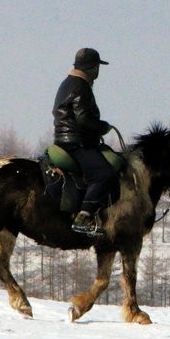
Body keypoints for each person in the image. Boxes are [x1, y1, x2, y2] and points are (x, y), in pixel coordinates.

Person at [52, 47, 120, 233]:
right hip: (77, 142)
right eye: (97, 67)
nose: (98, 72)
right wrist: (103, 127)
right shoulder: (81, 86)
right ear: (92, 67)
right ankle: (84, 217)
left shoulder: (67, 83)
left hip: (64, 139)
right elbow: (83, 119)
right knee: (104, 174)